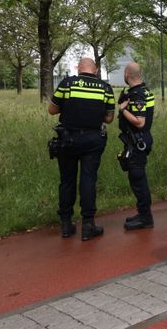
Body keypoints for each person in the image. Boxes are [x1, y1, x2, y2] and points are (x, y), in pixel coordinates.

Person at [48, 58, 114, 241]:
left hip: (67, 139)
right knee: (88, 180)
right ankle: (87, 225)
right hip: (93, 140)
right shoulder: (105, 88)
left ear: (78, 68)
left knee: (67, 180)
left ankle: (66, 225)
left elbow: (52, 110)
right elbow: (109, 118)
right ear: (96, 69)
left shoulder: (67, 84)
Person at [118, 62, 155, 230]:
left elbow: (140, 122)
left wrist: (122, 110)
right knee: (137, 178)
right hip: (137, 140)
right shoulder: (143, 91)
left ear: (127, 75)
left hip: (138, 141)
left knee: (138, 178)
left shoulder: (138, 94)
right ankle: (142, 213)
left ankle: (145, 218)